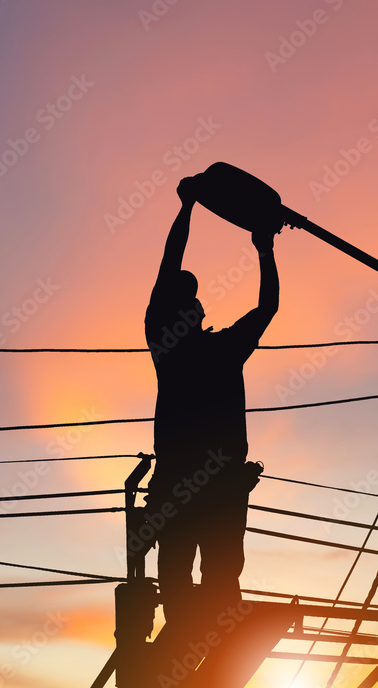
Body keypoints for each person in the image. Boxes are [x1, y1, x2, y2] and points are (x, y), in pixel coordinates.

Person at [143, 174, 281, 628]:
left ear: (198, 313)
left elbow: (266, 308)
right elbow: (266, 306)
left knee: (201, 581)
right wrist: (263, 248)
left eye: (191, 297)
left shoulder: (190, 347)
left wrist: (190, 206)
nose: (188, 300)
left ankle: (198, 642)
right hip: (205, 486)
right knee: (196, 582)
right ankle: (193, 645)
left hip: (201, 485)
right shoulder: (197, 348)